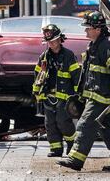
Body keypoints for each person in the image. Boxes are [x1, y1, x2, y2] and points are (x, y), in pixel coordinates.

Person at [57, 11, 110, 172]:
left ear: (97, 29)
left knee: (85, 125)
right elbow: (89, 73)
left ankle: (75, 159)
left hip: (101, 98)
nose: (85, 31)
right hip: (95, 96)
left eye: (88, 28)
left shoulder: (105, 47)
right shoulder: (93, 46)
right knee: (109, 130)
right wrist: (82, 94)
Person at [32, 24, 80, 157]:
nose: (51, 44)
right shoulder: (44, 57)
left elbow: (76, 75)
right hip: (48, 96)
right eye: (49, 42)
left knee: (63, 122)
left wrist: (78, 96)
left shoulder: (68, 55)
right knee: (50, 124)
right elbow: (37, 76)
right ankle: (56, 148)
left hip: (65, 97)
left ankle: (72, 144)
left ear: (60, 39)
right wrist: (37, 93)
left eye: (53, 41)